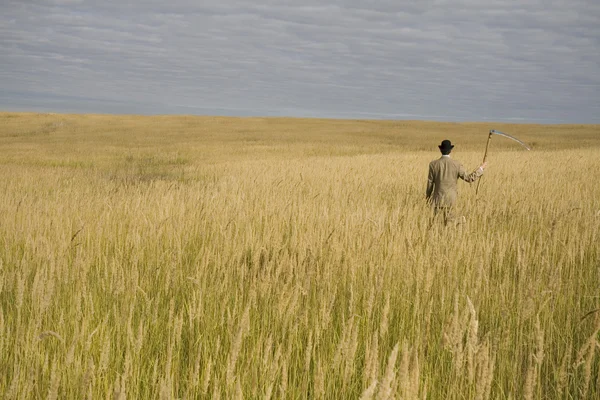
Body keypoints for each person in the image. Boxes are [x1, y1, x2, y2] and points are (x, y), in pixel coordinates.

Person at [426, 139, 487, 225]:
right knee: (450, 224)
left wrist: (428, 198)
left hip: (437, 200)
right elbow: (469, 178)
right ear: (450, 150)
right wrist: (481, 169)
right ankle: (461, 220)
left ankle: (459, 221)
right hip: (451, 200)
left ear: (440, 150)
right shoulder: (456, 164)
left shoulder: (433, 164)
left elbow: (430, 183)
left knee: (437, 225)